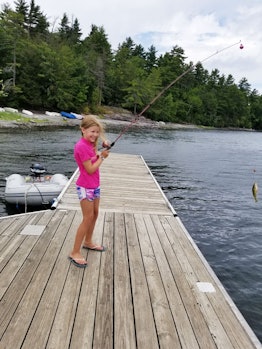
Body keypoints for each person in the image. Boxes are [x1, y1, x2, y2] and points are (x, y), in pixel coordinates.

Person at [68, 115, 110, 268]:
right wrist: (103, 158)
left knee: (95, 213)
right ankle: (74, 252)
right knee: (87, 218)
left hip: (95, 185)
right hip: (85, 187)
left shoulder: (91, 143)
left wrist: (104, 145)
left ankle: (88, 242)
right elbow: (90, 169)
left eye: (97, 132)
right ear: (83, 129)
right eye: (92, 131)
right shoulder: (81, 147)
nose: (95, 135)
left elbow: (96, 148)